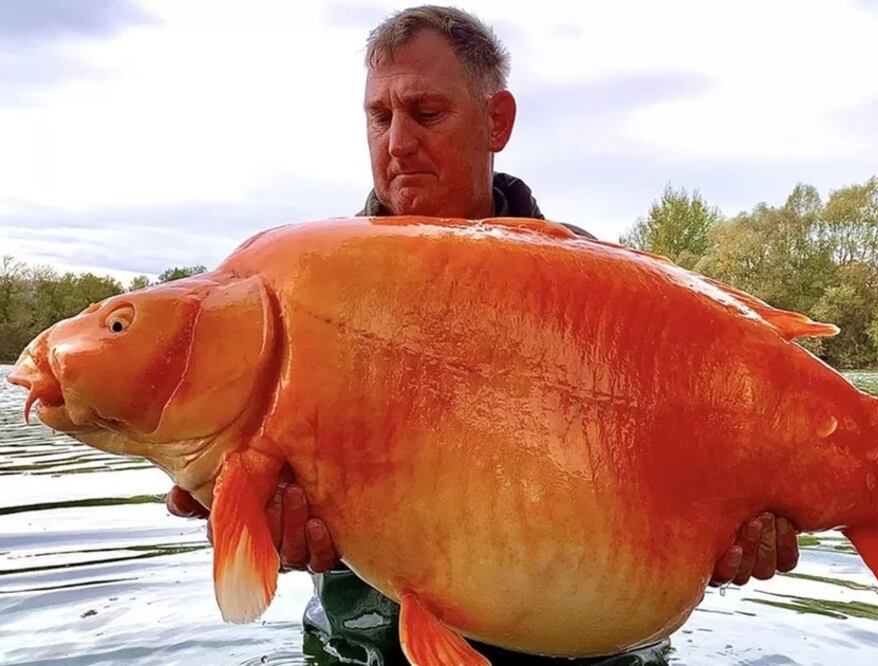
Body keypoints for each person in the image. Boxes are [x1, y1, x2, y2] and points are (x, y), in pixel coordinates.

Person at [166, 6, 800, 664]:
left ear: (496, 120)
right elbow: (221, 491)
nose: (398, 142)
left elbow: (697, 472)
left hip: (584, 651)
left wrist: (731, 532)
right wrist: (243, 518)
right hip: (363, 648)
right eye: (379, 117)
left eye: (426, 113)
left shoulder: (607, 295)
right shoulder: (295, 295)